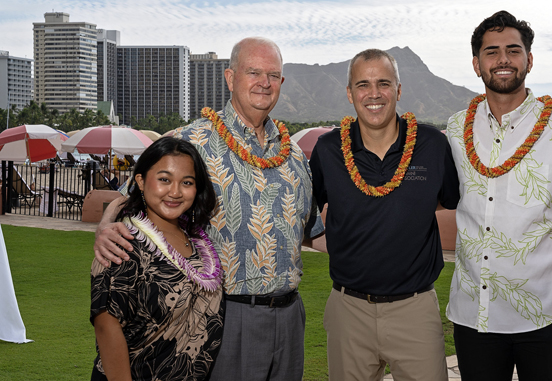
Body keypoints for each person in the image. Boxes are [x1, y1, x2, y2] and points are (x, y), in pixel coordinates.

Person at [93, 37, 324, 381]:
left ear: (281, 83)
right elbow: (131, 195)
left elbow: (311, 233)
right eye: (253, 72)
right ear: (230, 78)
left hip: (290, 317)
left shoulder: (293, 158)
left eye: (273, 75)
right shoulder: (192, 142)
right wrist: (105, 226)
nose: (264, 82)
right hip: (224, 316)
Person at [445, 11, 552, 380]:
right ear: (476, 64)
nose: (502, 59)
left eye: (513, 50)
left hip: (547, 316)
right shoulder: (456, 130)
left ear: (529, 60)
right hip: (475, 316)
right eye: (491, 52)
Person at [310, 49, 460, 380]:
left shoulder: (432, 145)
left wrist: (404, 205)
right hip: (349, 310)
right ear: (350, 93)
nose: (374, 94)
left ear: (398, 90)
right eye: (363, 85)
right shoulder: (328, 150)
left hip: (415, 309)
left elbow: (447, 199)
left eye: (383, 83)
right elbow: (310, 207)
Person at [91, 137, 223, 380]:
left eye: (187, 182)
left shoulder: (196, 240)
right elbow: (106, 325)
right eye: (164, 180)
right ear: (140, 181)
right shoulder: (121, 241)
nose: (175, 192)